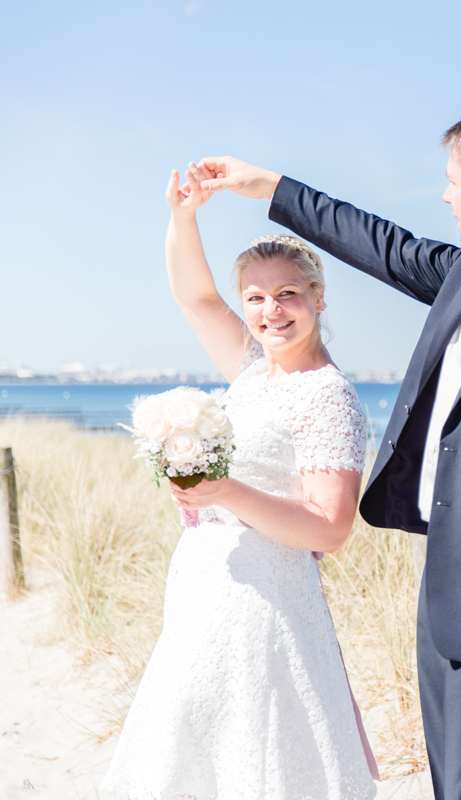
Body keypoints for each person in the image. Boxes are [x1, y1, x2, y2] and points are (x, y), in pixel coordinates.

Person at [197, 106, 461, 800]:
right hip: (441, 594)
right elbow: (382, 243)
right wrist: (272, 187)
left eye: (451, 180)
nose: (443, 195)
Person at [100, 165, 380, 798]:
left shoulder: (329, 397)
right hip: (204, 582)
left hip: (268, 597)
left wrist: (224, 492)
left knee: (259, 750)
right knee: (192, 747)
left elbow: (330, 527)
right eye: (254, 297)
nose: (269, 311)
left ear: (317, 297)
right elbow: (196, 298)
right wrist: (184, 216)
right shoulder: (254, 371)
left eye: (286, 294)